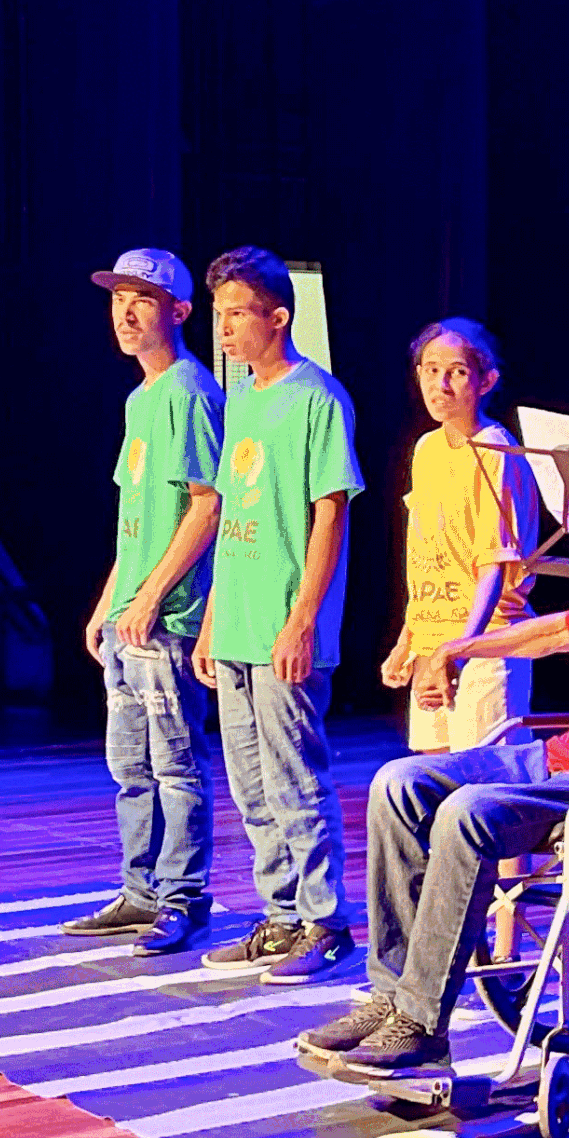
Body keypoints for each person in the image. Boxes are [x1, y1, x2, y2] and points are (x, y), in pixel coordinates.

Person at [301, 437, 569, 1075]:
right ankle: (389, 992)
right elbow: (547, 631)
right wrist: (454, 651)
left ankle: (421, 1022)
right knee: (398, 783)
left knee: (466, 814)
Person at [191, 247, 366, 982]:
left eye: (238, 314)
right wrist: (209, 619)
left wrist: (301, 619)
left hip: (282, 627)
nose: (225, 328)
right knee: (250, 785)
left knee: (295, 778)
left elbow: (330, 517)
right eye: (219, 315)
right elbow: (231, 513)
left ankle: (325, 922)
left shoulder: (317, 398)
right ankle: (281, 914)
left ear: (278, 316)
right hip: (234, 622)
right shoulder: (242, 400)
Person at [64, 247, 224, 956]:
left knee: (176, 765)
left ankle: (182, 897)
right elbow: (136, 519)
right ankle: (140, 890)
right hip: (132, 618)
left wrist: (153, 597)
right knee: (131, 768)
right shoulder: (141, 399)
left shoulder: (189, 391)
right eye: (116, 298)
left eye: (142, 299)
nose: (125, 312)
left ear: (179, 312)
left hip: (169, 620)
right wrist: (109, 602)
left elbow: (207, 504)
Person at [380, 318, 541, 752]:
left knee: (476, 785)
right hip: (433, 639)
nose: (441, 384)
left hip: (485, 643)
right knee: (430, 773)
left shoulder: (495, 451)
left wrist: (463, 648)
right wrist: (408, 640)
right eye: (430, 370)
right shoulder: (426, 449)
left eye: (457, 372)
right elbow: (426, 550)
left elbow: (493, 562)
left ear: (486, 380)